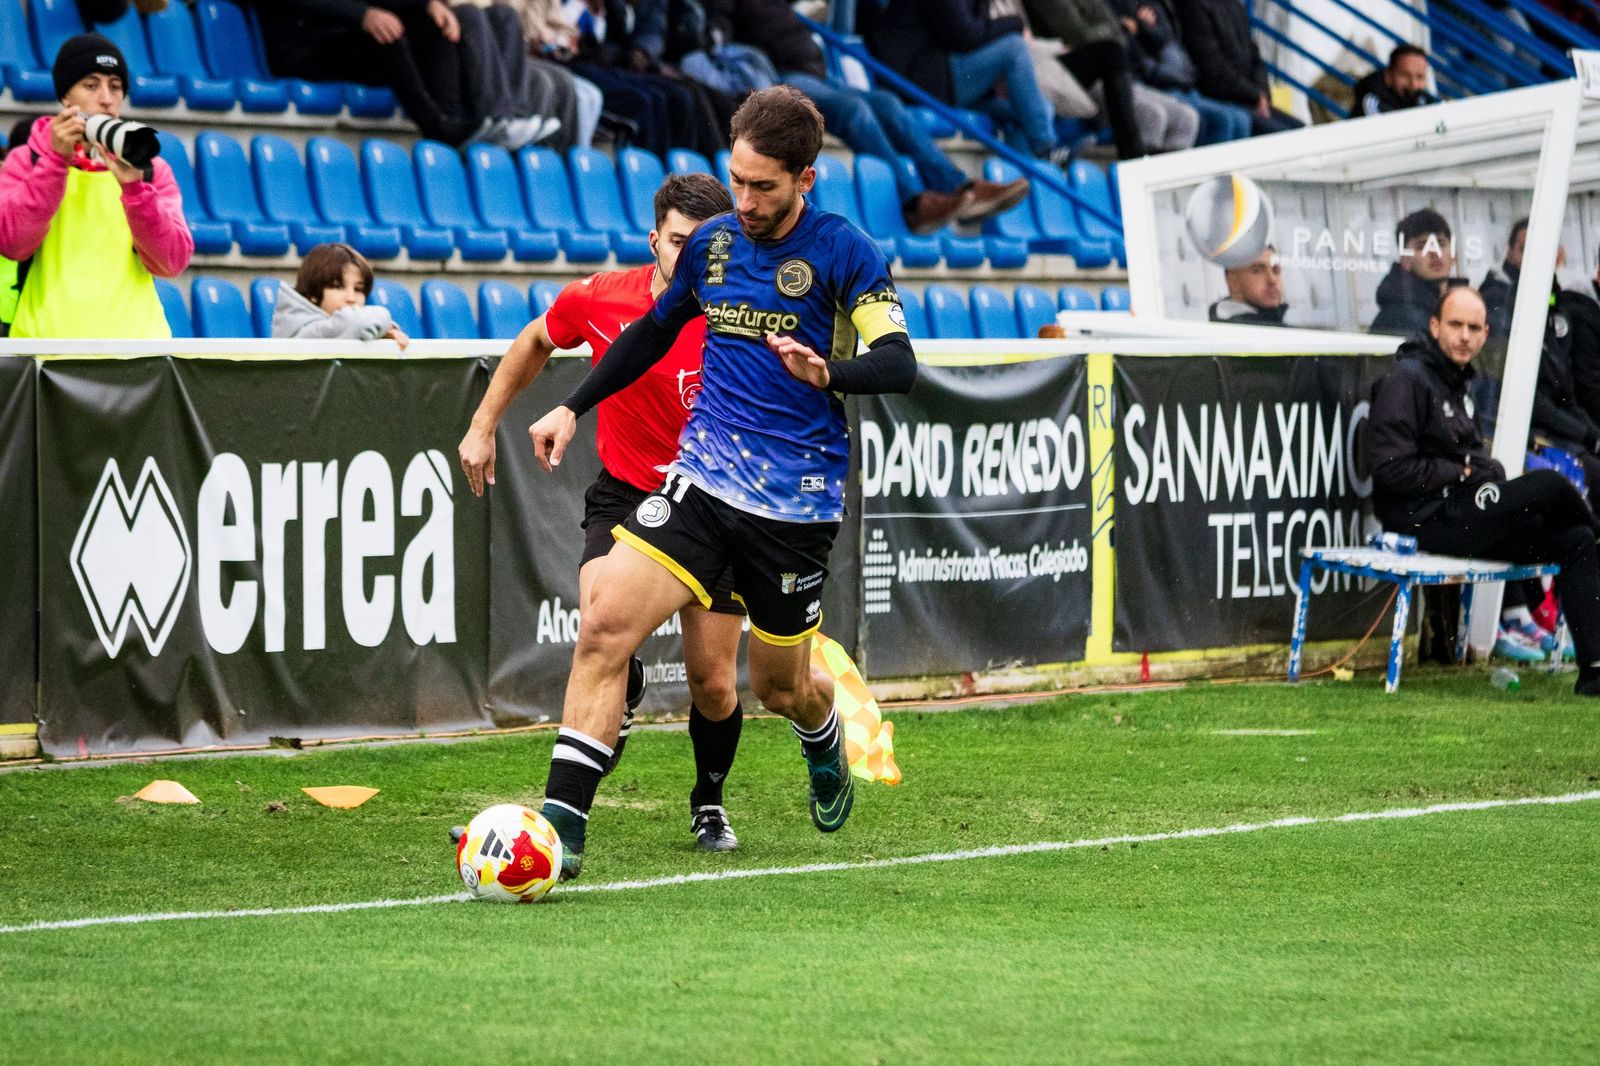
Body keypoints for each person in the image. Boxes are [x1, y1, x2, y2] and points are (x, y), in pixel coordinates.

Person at [523, 86, 918, 879]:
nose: (743, 200)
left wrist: (828, 369)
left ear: (806, 179)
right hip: (700, 483)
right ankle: (560, 828)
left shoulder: (846, 253)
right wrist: (571, 406)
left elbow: (899, 363)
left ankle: (822, 733)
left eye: (762, 186)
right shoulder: (712, 245)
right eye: (735, 179)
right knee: (603, 628)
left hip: (792, 509)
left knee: (779, 688)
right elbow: (652, 333)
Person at [457, 173, 752, 853]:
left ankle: (708, 801)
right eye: (679, 242)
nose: (691, 258)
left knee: (712, 682)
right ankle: (562, 826)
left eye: (705, 246)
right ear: (655, 241)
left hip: (714, 502)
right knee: (600, 630)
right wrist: (482, 424)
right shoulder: (600, 299)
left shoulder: (742, 315)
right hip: (626, 495)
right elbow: (537, 340)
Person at [1367, 286, 1600, 695]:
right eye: (1455, 325)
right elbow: (1389, 468)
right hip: (1424, 519)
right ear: (1435, 326)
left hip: (1464, 515)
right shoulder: (1407, 381)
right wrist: (1462, 470)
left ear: (1485, 333)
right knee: (1547, 484)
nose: (1464, 336)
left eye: (1474, 328)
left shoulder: (1457, 384)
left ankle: (1595, 673)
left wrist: (1477, 468)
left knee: (1577, 541)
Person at [678, 0, 1029, 233]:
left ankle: (957, 186)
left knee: (888, 103)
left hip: (813, 72)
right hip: (777, 77)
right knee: (856, 110)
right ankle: (915, 202)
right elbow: (716, 33)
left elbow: (838, 23)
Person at [0, 35, 192, 340]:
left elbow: (172, 261)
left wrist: (135, 189)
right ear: (65, 97)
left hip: (135, 351)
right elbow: (13, 243)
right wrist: (54, 163)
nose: (106, 98)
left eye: (115, 87)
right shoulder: (28, 159)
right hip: (47, 349)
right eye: (91, 85)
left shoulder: (150, 169)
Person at [249, 0, 551, 150]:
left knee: (433, 25)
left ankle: (454, 116)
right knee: (386, 32)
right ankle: (439, 127)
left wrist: (426, 4)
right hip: (305, 45)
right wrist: (362, 15)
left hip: (343, 34)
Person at [861, 0, 1076, 164]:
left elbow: (976, 35)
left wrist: (994, 77)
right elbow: (966, 36)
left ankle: (1023, 182)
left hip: (948, 79)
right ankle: (1046, 149)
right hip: (918, 80)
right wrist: (1016, 23)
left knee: (1038, 109)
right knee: (1014, 48)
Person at [1020, 0, 1169, 157]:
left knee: (1187, 117)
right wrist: (1122, 27)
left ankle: (1141, 157)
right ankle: (1131, 151)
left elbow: (1115, 27)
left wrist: (1125, 27)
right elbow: (1078, 34)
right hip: (1055, 68)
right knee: (1112, 53)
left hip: (1113, 69)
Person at [1111, 0, 1251, 144]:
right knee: (1217, 119)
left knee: (1241, 119)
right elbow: (1122, 45)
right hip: (1152, 82)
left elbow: (1162, 38)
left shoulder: (1157, 4)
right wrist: (1141, 27)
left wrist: (1141, 27)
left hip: (1181, 81)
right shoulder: (1119, 5)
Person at [1175, 0, 1302, 136]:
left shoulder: (1235, 5)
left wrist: (1262, 95)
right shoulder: (1193, 6)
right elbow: (1213, 69)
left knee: (1303, 131)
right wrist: (1255, 96)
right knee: (1283, 135)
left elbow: (1255, 58)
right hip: (1223, 97)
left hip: (1250, 98)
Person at [271, 242, 409, 348]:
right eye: (338, 287)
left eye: (358, 289)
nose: (351, 298)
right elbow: (356, 323)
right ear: (312, 292)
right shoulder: (305, 330)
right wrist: (384, 324)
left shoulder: (338, 327)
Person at [1370, 208, 1464, 337]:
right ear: (1405, 259)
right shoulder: (1401, 316)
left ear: (1454, 254)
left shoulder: (1463, 306)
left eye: (1440, 244)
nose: (1434, 252)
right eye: (1422, 246)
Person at [1208, 245, 1286, 325]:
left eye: (1276, 270)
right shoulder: (1235, 331)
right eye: (1257, 270)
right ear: (1232, 280)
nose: (1272, 279)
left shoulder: (1287, 319)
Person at [1350, 45, 1436, 117]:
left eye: (1420, 77)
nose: (1414, 84)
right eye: (1405, 76)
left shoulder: (1423, 99)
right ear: (1388, 75)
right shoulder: (1372, 101)